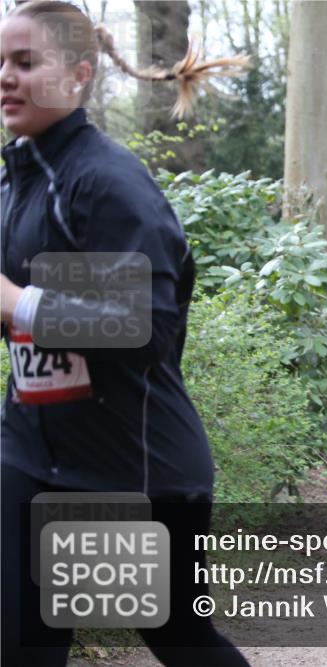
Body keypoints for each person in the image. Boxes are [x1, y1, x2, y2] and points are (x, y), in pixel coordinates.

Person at [1, 2, 249, 664]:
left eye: (24, 63)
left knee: (176, 634)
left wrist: (19, 304)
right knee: (19, 639)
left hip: (131, 467)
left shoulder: (107, 183)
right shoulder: (16, 179)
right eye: (0, 62)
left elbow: (144, 329)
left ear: (79, 75)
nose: (5, 77)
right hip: (32, 453)